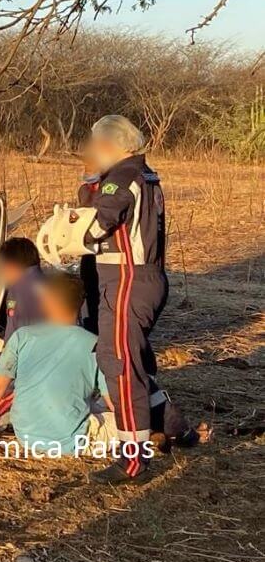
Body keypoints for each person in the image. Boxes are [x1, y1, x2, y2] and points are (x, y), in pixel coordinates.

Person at [83, 114, 169, 484]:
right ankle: (173, 425)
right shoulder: (145, 174)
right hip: (143, 278)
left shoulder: (121, 176)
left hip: (127, 279)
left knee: (121, 367)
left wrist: (73, 239)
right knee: (119, 359)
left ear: (107, 145)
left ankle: (132, 459)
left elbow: (100, 222)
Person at [0, 272, 115, 455]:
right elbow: (114, 402)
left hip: (26, 436)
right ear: (81, 303)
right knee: (125, 415)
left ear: (45, 303)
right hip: (71, 442)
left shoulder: (21, 336)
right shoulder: (96, 344)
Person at [0, 237, 44, 341]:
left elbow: (14, 329)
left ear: (10, 266)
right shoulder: (48, 282)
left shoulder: (15, 293)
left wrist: (3, 346)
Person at [77, 152, 101, 335]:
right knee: (88, 287)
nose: (86, 171)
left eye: (90, 167)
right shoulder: (84, 190)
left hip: (104, 248)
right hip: (87, 248)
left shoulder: (111, 189)